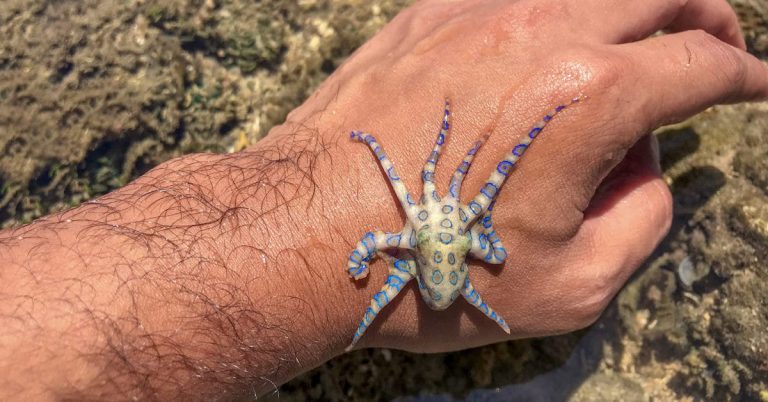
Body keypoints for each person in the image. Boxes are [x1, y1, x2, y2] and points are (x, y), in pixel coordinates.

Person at [1, 0, 766, 400]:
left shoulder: (419, 229)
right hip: (448, 269)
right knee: (470, 174)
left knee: (443, 177)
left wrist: (364, 204)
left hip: (435, 268)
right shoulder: (458, 232)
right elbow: (479, 212)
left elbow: (405, 217)